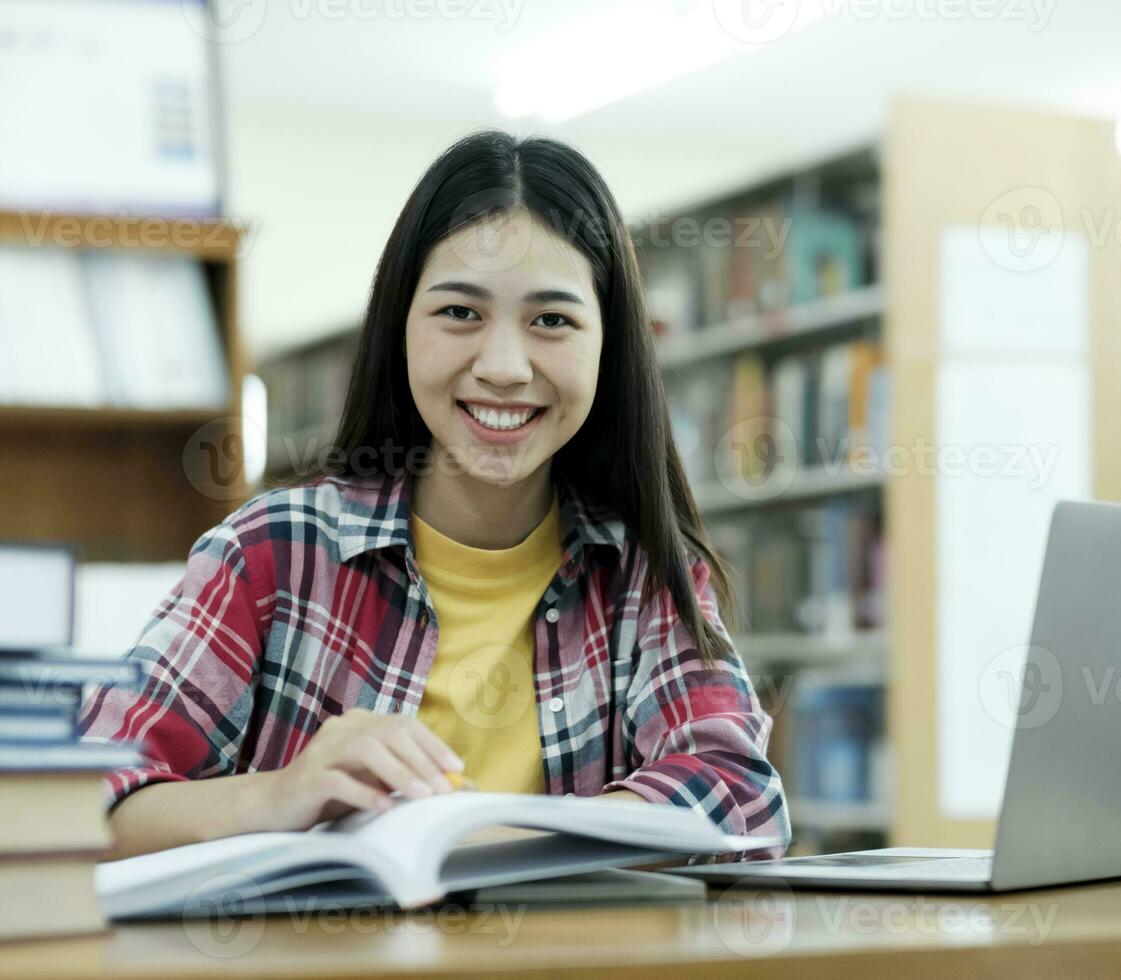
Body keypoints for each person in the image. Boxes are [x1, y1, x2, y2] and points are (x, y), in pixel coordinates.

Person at [80, 130, 790, 861]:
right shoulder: (273, 555)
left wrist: (464, 839)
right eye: (461, 312)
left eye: (552, 320)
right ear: (401, 326)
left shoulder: (639, 575)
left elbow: (740, 798)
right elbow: (83, 800)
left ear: (608, 347)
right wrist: (278, 795)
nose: (506, 367)